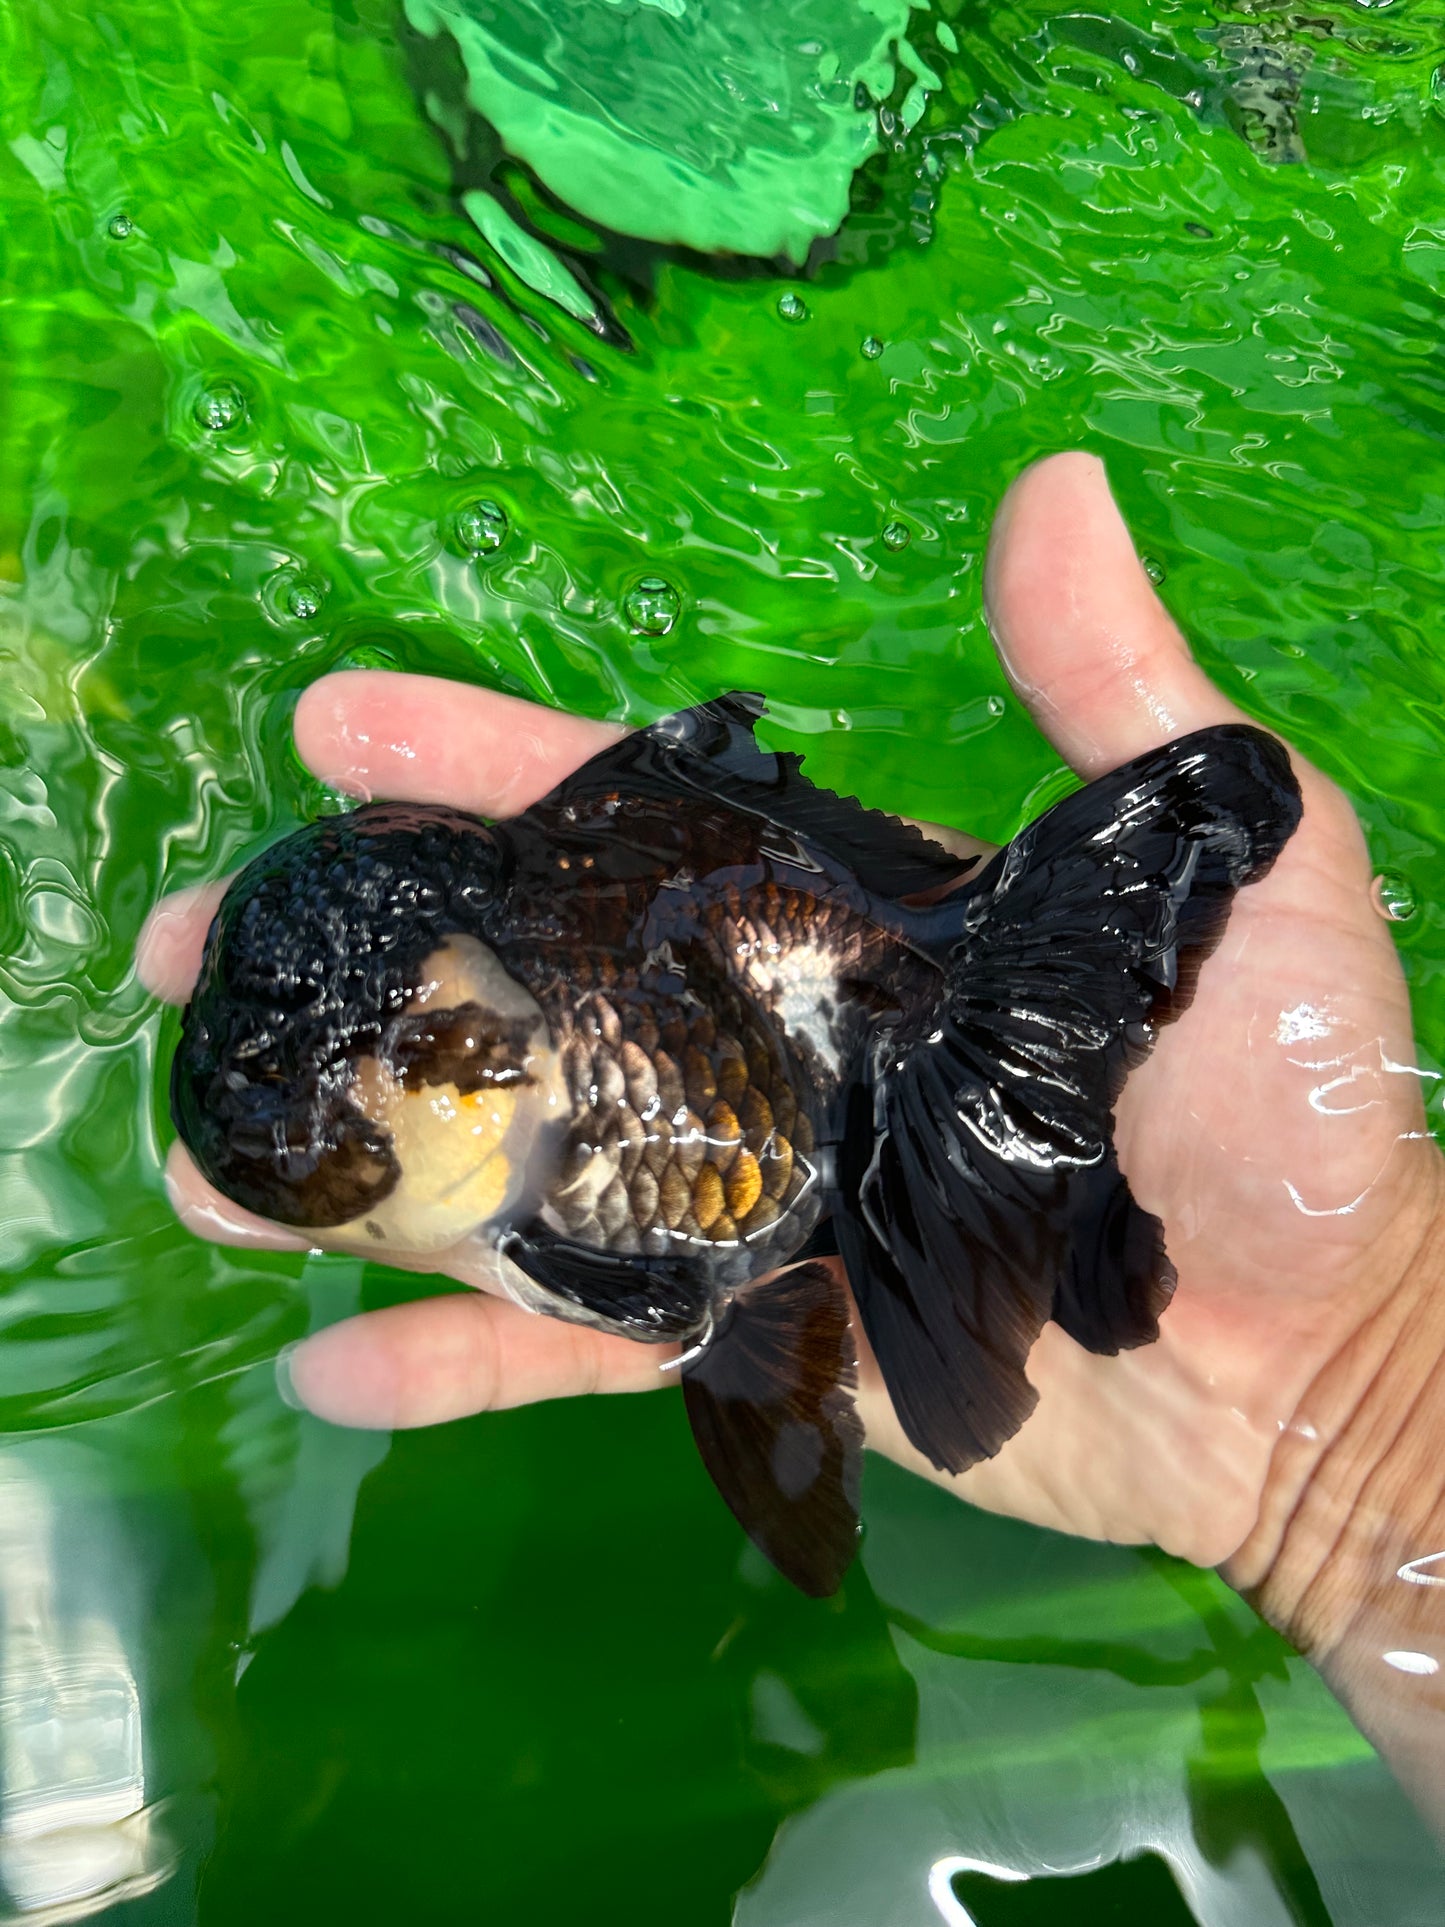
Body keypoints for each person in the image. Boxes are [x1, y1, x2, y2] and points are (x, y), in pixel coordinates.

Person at [138, 452, 1445, 1830]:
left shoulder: (601, 1078)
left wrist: (1370, 1393)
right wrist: (1369, 1403)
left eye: (356, 1086)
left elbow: (667, 1283)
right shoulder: (549, 1154)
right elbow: (667, 1292)